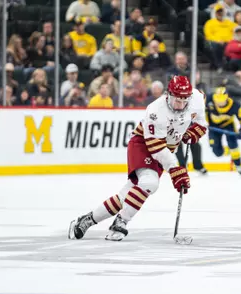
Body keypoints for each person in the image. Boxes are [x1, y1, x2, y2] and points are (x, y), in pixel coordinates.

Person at [68, 76, 207, 241]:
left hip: (166, 148)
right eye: (177, 100)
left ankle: (87, 220)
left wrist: (194, 132)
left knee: (127, 196)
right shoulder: (156, 110)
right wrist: (174, 169)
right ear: (168, 94)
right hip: (144, 144)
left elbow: (201, 122)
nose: (181, 105)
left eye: (185, 101)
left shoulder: (197, 98)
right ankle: (121, 222)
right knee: (150, 182)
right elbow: (156, 148)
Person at [206, 87, 241, 176]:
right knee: (217, 152)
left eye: (221, 101)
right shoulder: (209, 99)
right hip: (213, 127)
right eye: (217, 100)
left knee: (233, 145)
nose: (219, 103)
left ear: (226, 98)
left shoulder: (235, 105)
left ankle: (238, 166)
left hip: (228, 126)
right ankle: (227, 151)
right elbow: (198, 111)